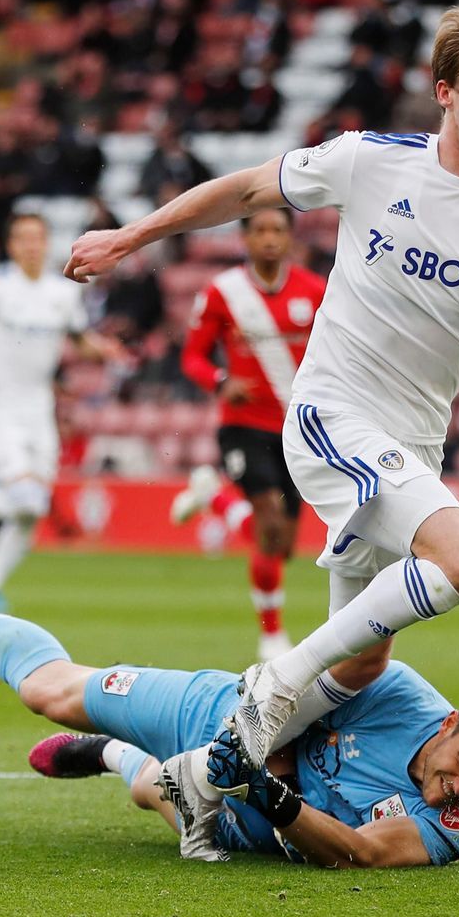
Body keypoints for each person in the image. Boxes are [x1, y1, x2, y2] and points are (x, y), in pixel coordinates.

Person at [64, 1, 459, 859]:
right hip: (331, 415)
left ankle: (195, 779)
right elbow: (252, 188)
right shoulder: (370, 161)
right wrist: (133, 236)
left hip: (412, 445)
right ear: (445, 91)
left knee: (363, 667)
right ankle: (273, 683)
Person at [0, 583, 459, 867]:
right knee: (51, 691)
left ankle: (107, 755)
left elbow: (356, 852)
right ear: (451, 722)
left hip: (243, 821)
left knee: (147, 787)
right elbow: (331, 670)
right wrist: (256, 749)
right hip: (222, 712)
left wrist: (264, 789)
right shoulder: (395, 690)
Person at [0, 213, 126, 612]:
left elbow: (79, 340)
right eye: (23, 239)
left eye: (37, 238)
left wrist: (106, 349)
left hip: (39, 406)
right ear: (11, 246)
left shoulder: (62, 294)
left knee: (32, 509)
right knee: (26, 499)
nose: (31, 246)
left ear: (46, 243)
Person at [171, 209, 327, 661]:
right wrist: (222, 382)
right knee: (268, 524)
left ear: (290, 238)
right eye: (259, 230)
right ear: (244, 238)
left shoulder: (314, 291)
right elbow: (193, 359)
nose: (269, 239)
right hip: (243, 425)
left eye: (278, 230)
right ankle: (271, 635)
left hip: (298, 429)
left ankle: (215, 499)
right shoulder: (224, 292)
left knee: (282, 546)